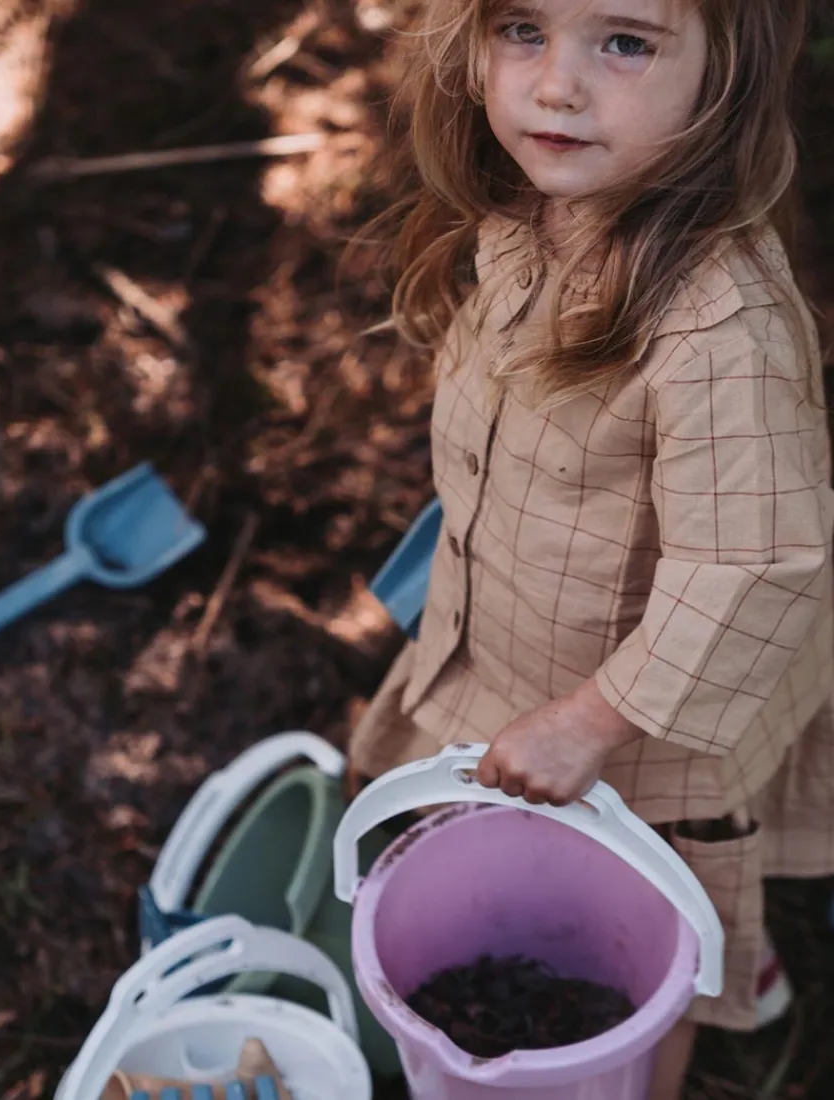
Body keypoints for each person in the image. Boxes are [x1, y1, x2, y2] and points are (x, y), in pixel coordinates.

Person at [346, 1, 834, 1097]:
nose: (556, 85)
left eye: (623, 41)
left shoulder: (717, 328)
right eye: (523, 29)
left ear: (724, 74)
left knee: (653, 919)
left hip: (644, 713)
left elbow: (757, 561)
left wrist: (588, 721)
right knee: (520, 856)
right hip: (517, 641)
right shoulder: (531, 211)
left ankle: (677, 1006)